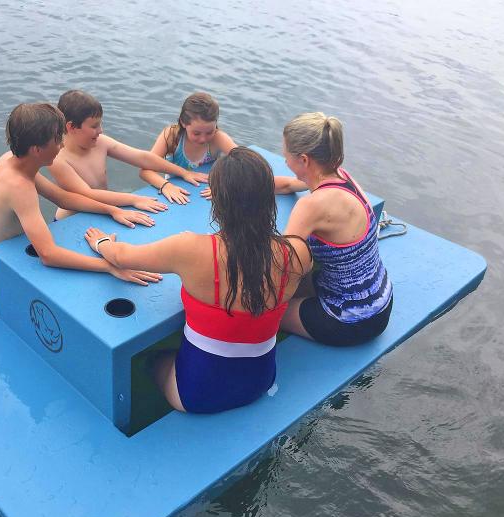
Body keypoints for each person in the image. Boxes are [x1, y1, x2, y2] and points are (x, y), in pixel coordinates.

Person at [84, 147, 312, 413]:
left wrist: (101, 243)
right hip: (260, 382)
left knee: (151, 359)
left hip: (198, 395)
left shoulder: (189, 249)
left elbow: (122, 256)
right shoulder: (297, 252)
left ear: (218, 200)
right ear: (268, 197)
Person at [0, 103, 162, 314]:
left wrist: (112, 210)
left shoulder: (12, 161)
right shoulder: (18, 186)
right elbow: (49, 255)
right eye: (57, 140)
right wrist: (110, 266)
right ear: (37, 150)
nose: (62, 145)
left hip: (8, 261)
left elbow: (62, 198)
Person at [278, 112, 393, 346]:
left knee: (262, 309)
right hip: (380, 300)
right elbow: (289, 184)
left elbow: (281, 265)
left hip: (348, 320)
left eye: (286, 156)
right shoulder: (342, 177)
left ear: (304, 159)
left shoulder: (311, 206)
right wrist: (242, 185)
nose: (284, 161)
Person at [48, 90, 209, 221]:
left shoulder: (100, 142)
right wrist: (134, 199)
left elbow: (141, 157)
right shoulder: (59, 159)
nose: (101, 130)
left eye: (100, 124)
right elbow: (88, 194)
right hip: (72, 219)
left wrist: (184, 173)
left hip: (104, 211)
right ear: (71, 127)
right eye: (94, 126)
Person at [139, 92, 305, 204]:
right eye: (196, 133)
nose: (203, 139)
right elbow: (145, 170)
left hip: (210, 193)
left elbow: (245, 163)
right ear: (183, 123)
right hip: (176, 193)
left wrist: (226, 185)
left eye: (209, 132)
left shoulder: (218, 138)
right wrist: (165, 185)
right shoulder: (171, 136)